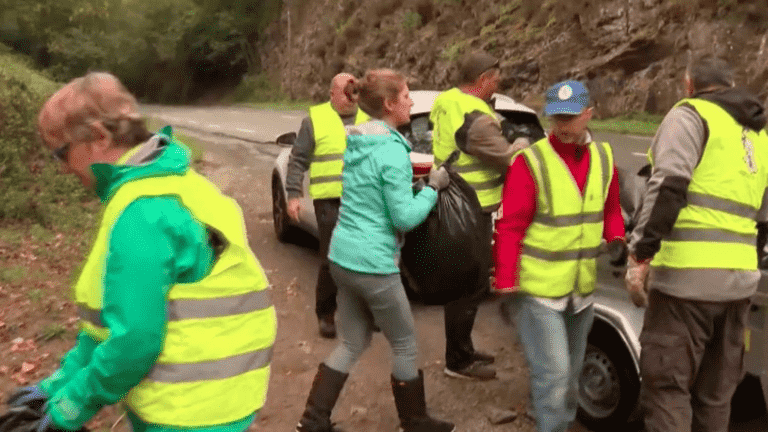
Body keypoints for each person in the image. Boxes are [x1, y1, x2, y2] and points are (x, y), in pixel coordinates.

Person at [6, 72, 277, 432]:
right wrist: (55, 387)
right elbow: (106, 328)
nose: (62, 168)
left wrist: (67, 411)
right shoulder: (176, 183)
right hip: (215, 399)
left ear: (99, 138)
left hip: (188, 412)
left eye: (62, 153)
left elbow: (134, 342)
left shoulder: (142, 210)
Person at [295, 69, 455, 432]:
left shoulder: (359, 142)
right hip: (373, 264)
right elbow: (404, 218)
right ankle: (414, 422)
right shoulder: (392, 151)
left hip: (341, 256)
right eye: (407, 96)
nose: (412, 102)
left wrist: (410, 185)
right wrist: (432, 188)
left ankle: (312, 421)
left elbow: (373, 196)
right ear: (388, 103)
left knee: (352, 342)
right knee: (404, 343)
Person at [626, 55, 768, 432]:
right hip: (738, 284)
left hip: (685, 285)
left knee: (667, 388)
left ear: (689, 84)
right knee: (716, 394)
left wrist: (640, 255)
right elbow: (763, 214)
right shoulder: (757, 133)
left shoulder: (690, 116)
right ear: (731, 83)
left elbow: (667, 187)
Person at [494, 80, 626, 432]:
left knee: (570, 374)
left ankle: (560, 425)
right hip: (539, 290)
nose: (562, 127)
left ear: (589, 113)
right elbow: (511, 227)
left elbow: (612, 209)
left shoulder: (604, 157)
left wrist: (616, 236)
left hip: (580, 289)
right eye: (556, 118)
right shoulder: (531, 162)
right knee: (553, 375)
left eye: (570, 118)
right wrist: (506, 282)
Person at [429, 50, 528, 381]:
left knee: (465, 283)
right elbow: (509, 160)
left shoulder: (449, 102)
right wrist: (522, 144)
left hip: (454, 203)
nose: (498, 84)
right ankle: (458, 360)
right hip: (471, 208)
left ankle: (463, 349)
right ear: (484, 79)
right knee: (468, 287)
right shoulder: (476, 116)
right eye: (495, 78)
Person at [285, 72, 371, 339]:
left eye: (353, 91)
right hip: (329, 201)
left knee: (367, 257)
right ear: (332, 93)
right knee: (332, 260)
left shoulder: (369, 119)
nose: (350, 97)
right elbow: (298, 159)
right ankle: (326, 314)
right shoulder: (316, 119)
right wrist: (293, 195)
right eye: (345, 92)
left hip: (364, 200)